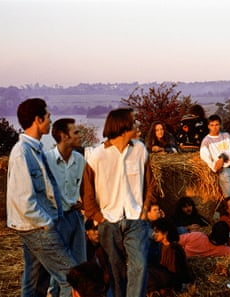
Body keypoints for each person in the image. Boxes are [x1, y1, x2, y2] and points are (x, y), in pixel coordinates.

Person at [6, 98, 77, 297]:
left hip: (36, 226)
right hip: (37, 227)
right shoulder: (22, 153)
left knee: (36, 281)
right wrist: (48, 223)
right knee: (72, 277)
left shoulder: (35, 150)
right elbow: (23, 201)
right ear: (38, 119)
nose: (50, 121)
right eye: (48, 117)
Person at [81, 108, 153, 297]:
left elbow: (150, 183)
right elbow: (86, 193)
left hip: (135, 218)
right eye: (134, 121)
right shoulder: (97, 156)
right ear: (123, 127)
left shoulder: (140, 149)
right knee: (115, 272)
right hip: (108, 222)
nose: (138, 124)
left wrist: (145, 209)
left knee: (140, 265)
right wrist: (98, 217)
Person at [45, 118, 86, 296]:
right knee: (59, 267)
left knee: (79, 263)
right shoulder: (46, 160)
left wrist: (83, 202)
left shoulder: (79, 160)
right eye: (75, 132)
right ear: (63, 136)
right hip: (55, 218)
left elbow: (84, 187)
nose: (80, 135)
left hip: (75, 217)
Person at [147, 218, 193, 294]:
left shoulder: (173, 248)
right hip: (167, 277)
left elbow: (176, 274)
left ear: (165, 233)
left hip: (173, 280)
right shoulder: (163, 245)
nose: (153, 234)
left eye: (157, 231)